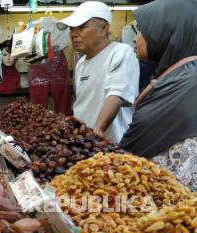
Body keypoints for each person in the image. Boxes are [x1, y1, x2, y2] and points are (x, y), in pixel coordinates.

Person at [119, 0, 197, 198]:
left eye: (144, 31)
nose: (136, 38)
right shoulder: (180, 76)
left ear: (170, 33)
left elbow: (194, 183)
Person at [57, 1, 139, 143]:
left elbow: (116, 95)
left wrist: (98, 130)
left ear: (103, 28)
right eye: (71, 29)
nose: (74, 34)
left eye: (82, 27)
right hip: (85, 143)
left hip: (111, 143)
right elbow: (84, 103)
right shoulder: (81, 63)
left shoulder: (120, 52)